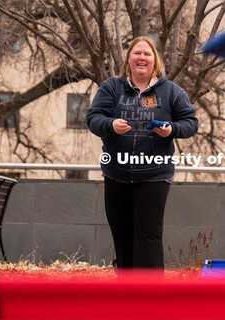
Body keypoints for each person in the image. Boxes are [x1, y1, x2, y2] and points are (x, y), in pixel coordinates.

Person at [86, 36, 198, 269]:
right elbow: (93, 118)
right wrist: (110, 125)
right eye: (137, 53)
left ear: (155, 61)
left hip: (154, 174)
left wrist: (172, 130)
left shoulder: (171, 92)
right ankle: (127, 295)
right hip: (116, 173)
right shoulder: (111, 87)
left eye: (147, 54)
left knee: (149, 236)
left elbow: (191, 123)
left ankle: (150, 296)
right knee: (122, 235)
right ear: (128, 59)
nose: (142, 58)